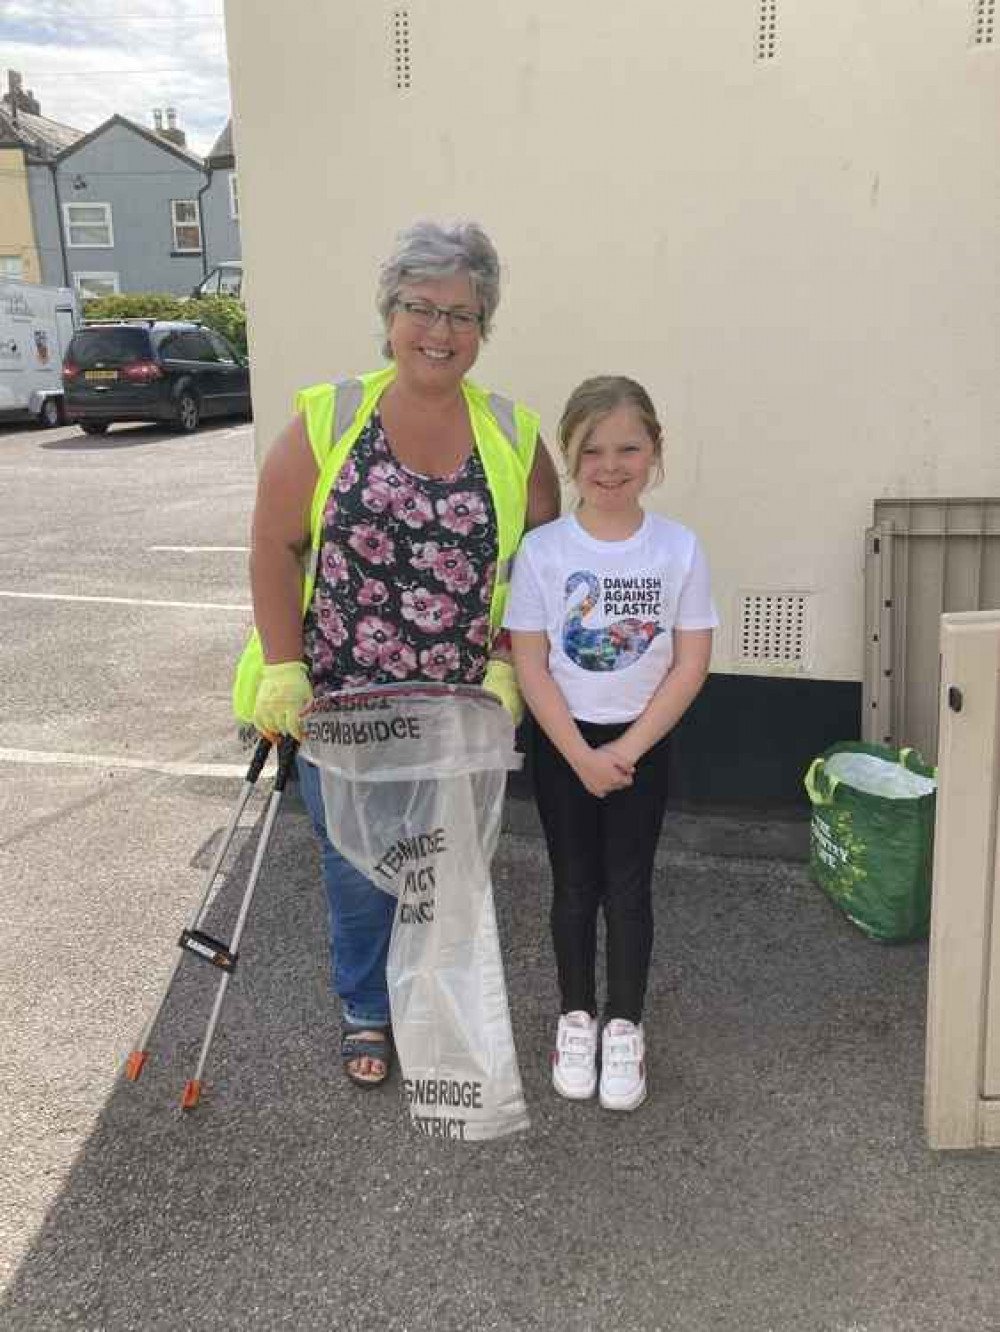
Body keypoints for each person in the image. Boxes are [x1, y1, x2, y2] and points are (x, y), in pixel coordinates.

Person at [236, 221, 560, 1088]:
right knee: (352, 863)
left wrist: (503, 660)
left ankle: (427, 1000)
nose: (441, 330)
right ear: (390, 315)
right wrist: (283, 666)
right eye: (421, 307)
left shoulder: (515, 435)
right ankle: (365, 1008)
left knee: (441, 861)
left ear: (483, 326)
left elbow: (545, 565)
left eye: (462, 313)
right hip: (341, 699)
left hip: (459, 706)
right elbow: (274, 543)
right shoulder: (331, 416)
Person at [505, 376, 717, 1111]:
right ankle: (576, 1016)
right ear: (569, 455)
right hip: (565, 744)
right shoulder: (543, 552)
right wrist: (580, 754)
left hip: (643, 744)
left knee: (629, 887)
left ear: (654, 450)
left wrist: (626, 750)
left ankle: (624, 1023)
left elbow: (690, 663)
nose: (611, 463)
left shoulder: (679, 550)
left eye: (629, 446)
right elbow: (531, 661)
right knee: (573, 885)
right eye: (592, 449)